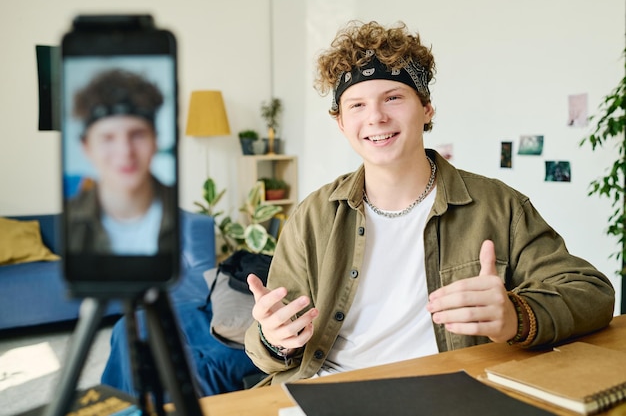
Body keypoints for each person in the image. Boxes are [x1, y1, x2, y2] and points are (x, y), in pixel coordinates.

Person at [244, 20, 615, 385]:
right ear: (341, 123)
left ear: (426, 109)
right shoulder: (313, 216)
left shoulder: (500, 206)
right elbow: (269, 344)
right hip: (327, 389)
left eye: (393, 97)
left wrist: (516, 316)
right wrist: (273, 339)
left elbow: (592, 294)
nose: (376, 117)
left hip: (447, 391)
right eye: (356, 105)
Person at [66, 68, 175, 255]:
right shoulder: (68, 221)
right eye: (108, 138)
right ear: (86, 147)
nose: (125, 152)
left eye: (137, 135)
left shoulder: (184, 220)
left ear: (155, 141)